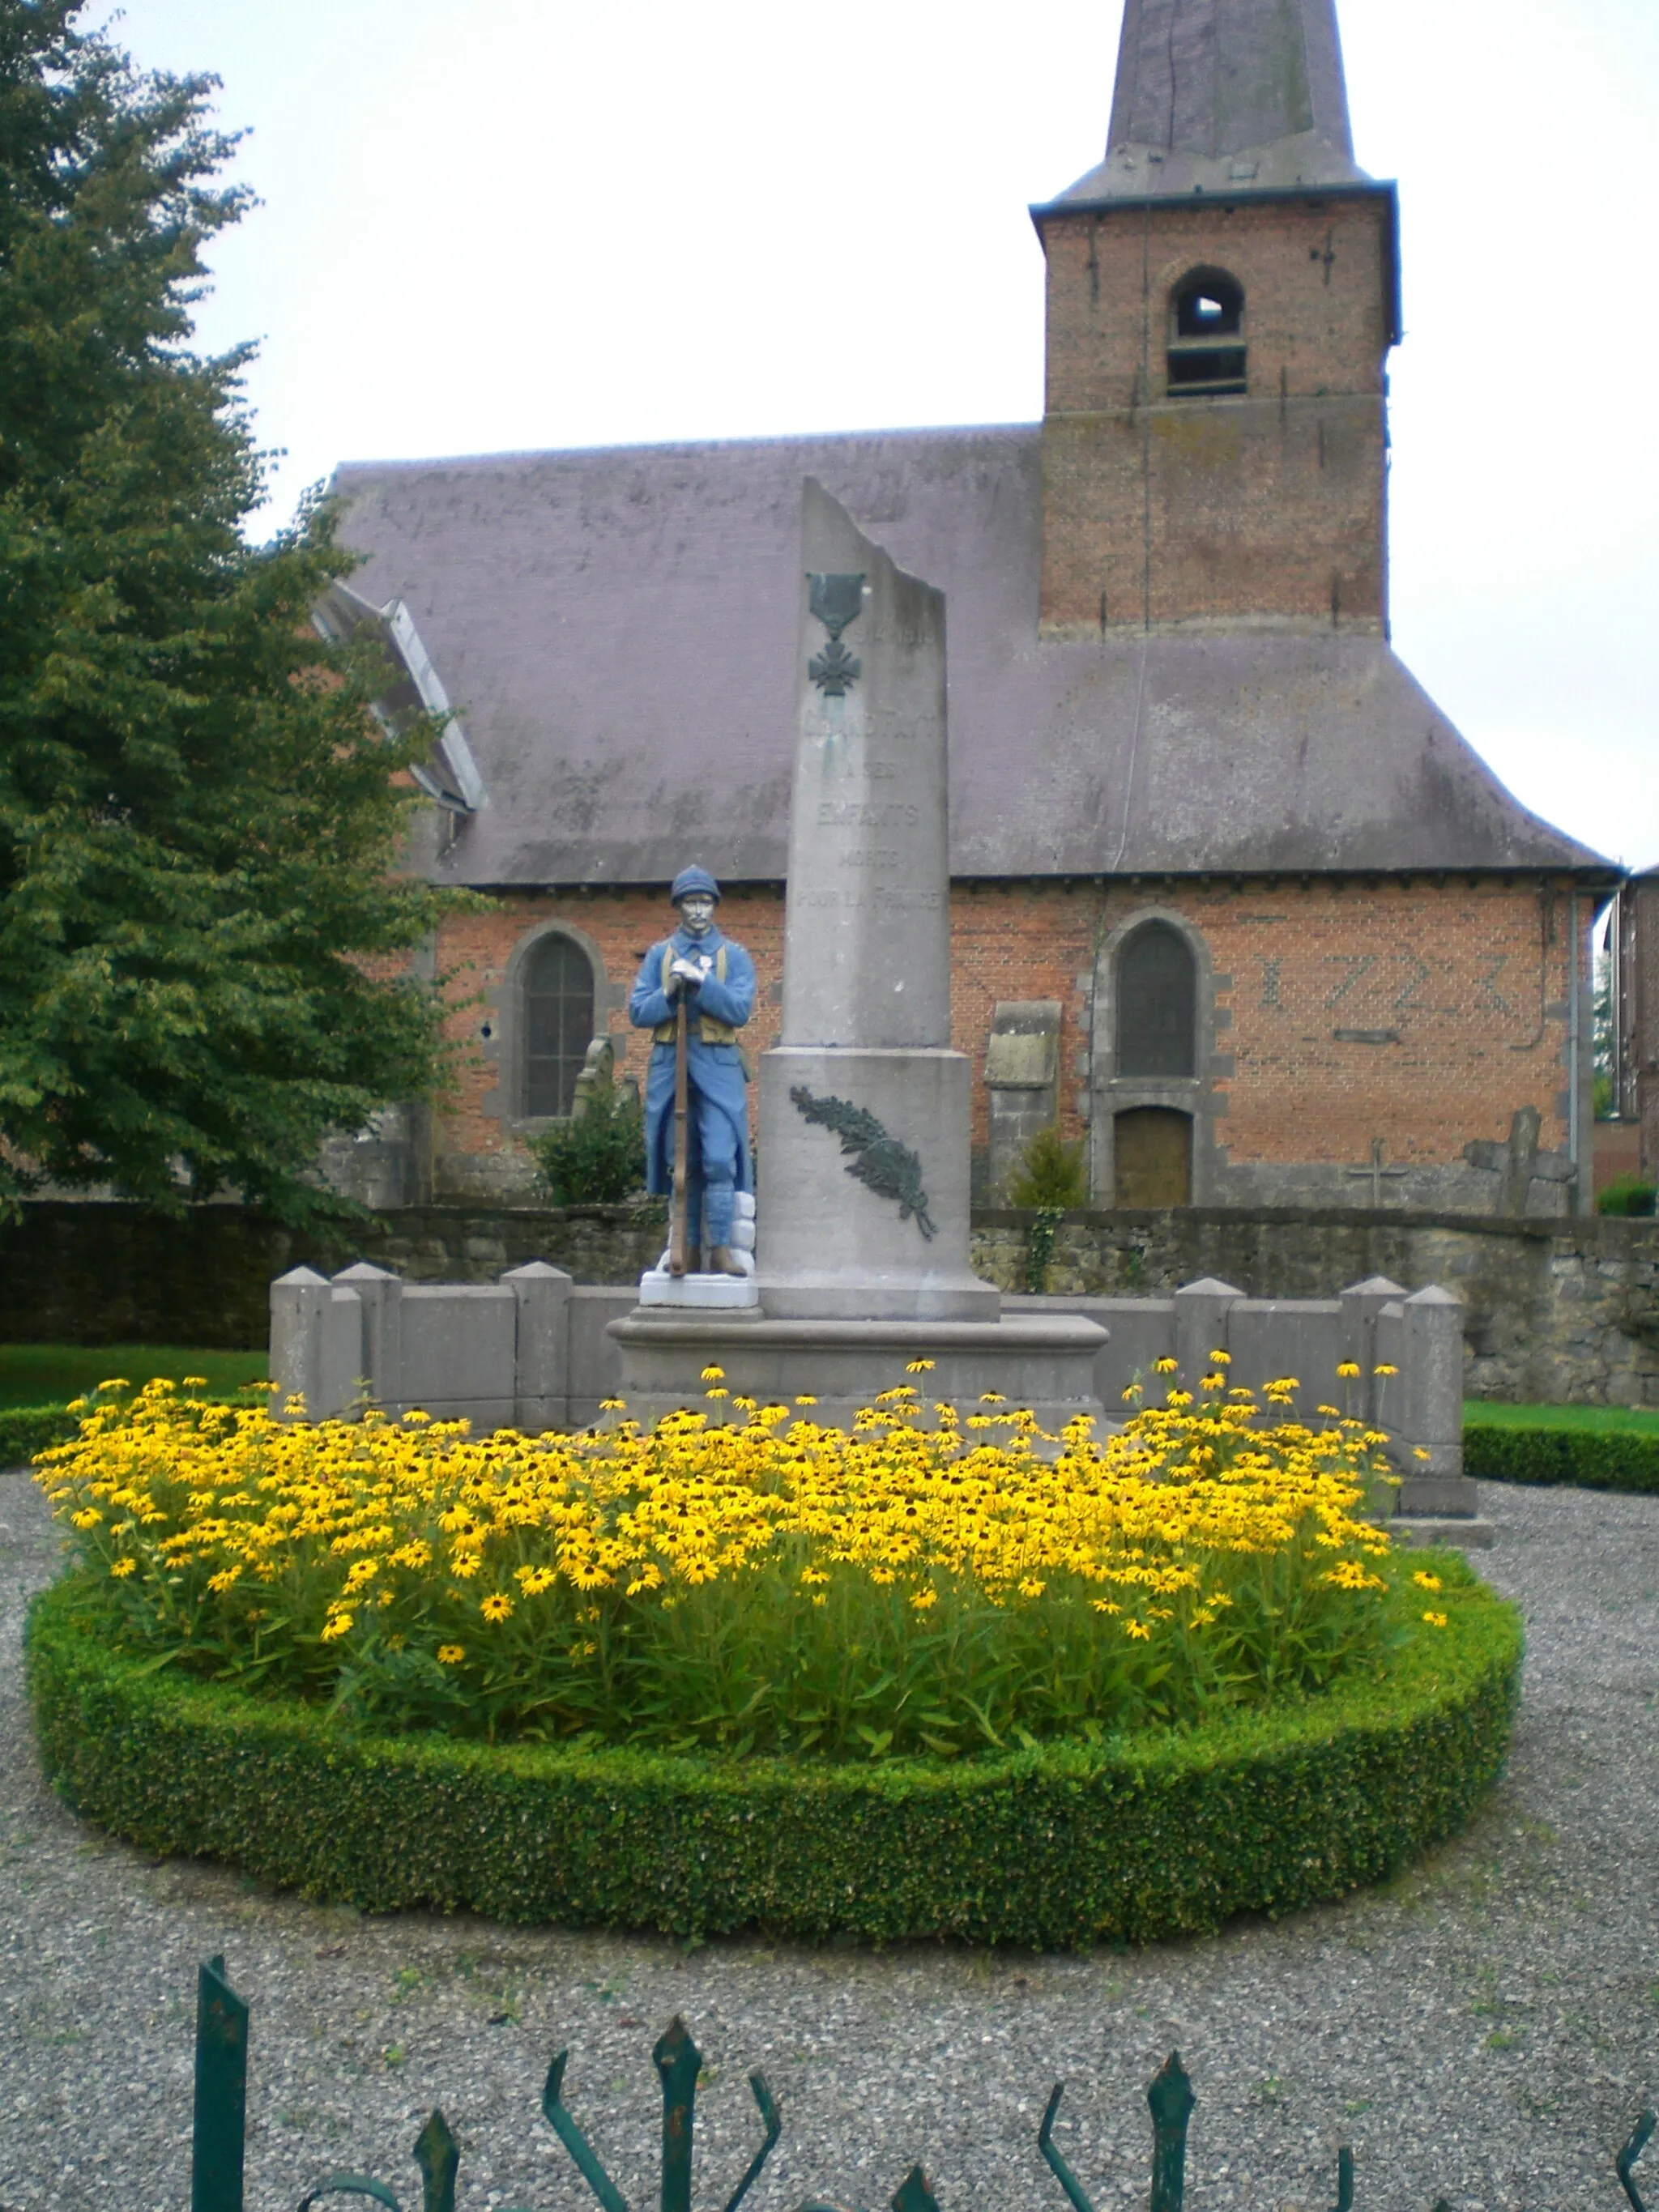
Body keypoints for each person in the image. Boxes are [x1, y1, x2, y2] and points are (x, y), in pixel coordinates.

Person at [628, 866, 755, 1273]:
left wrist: (701, 980)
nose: (698, 911)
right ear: (678, 907)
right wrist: (669, 991)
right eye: (690, 902)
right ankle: (685, 1248)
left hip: (718, 1066)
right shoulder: (660, 956)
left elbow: (739, 1010)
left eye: (704, 902)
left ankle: (721, 1248)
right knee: (680, 1159)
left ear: (714, 906)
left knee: (720, 1157)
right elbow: (637, 1011)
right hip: (672, 1063)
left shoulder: (733, 956)